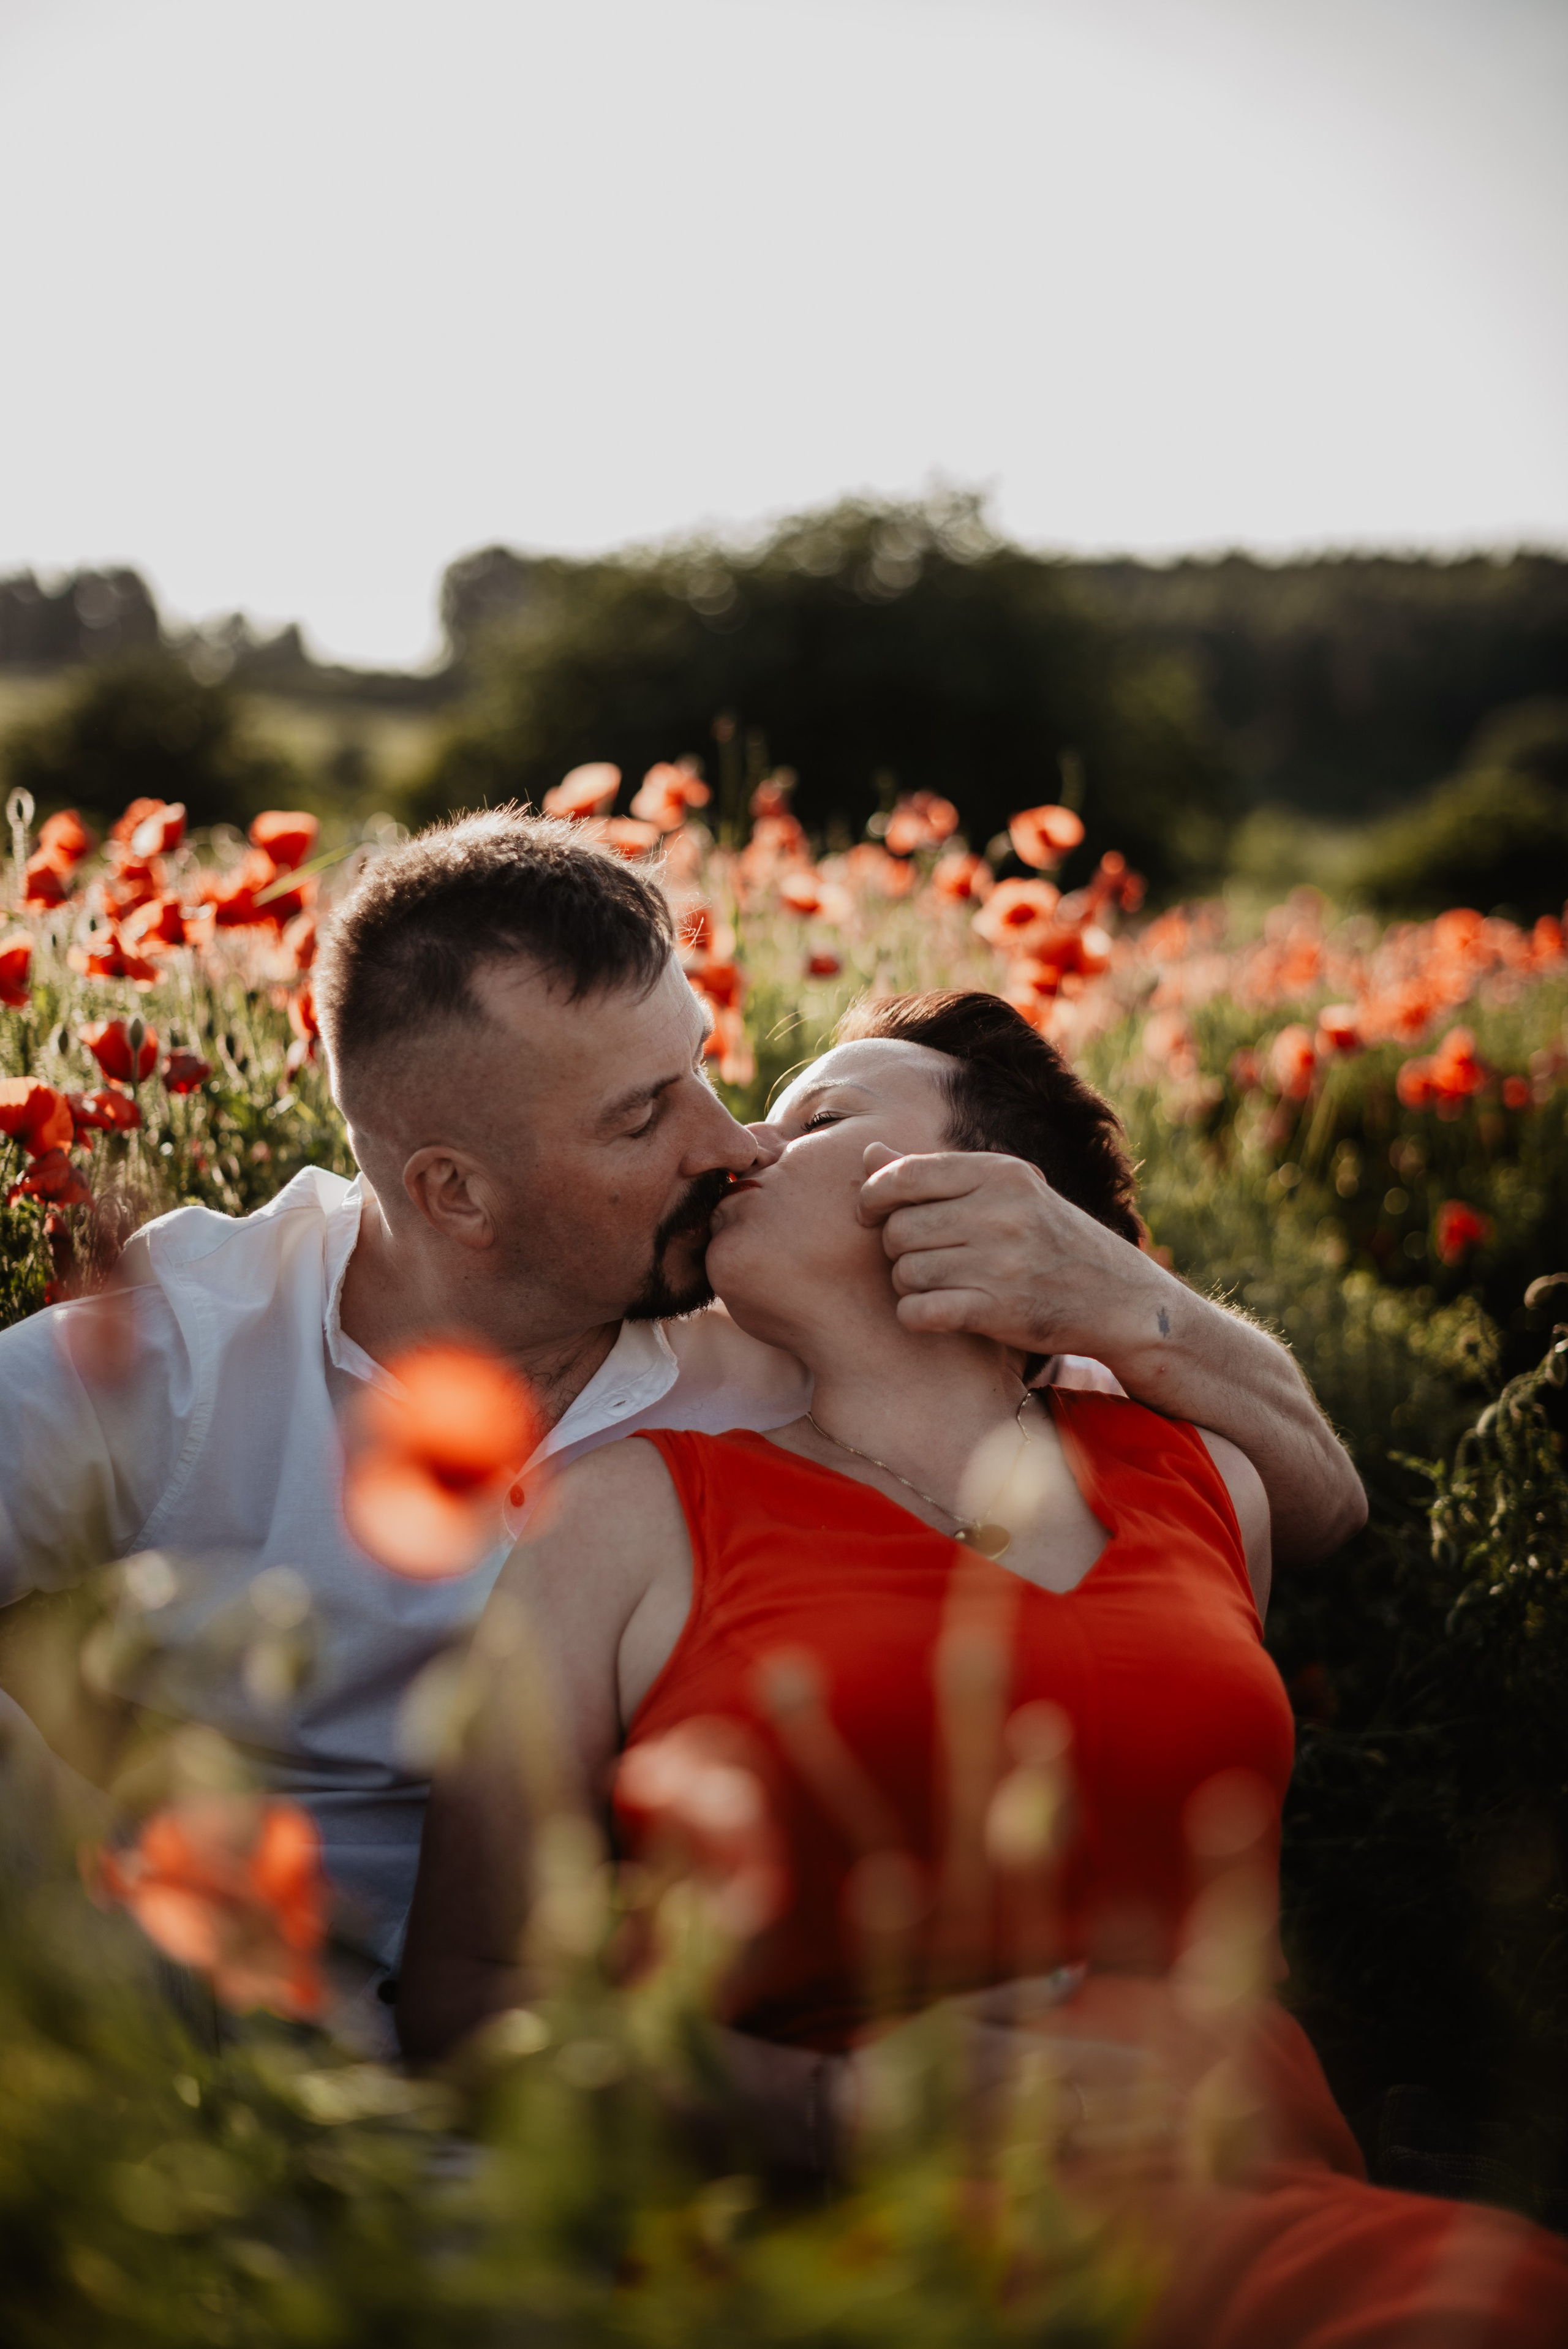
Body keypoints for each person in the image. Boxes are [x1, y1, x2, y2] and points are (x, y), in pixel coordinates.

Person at [0, 813, 1362, 2003]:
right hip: (193, 2017)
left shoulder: (782, 1332)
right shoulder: (183, 1351)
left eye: (701, 1063)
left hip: (583, 2064)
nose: (727, 1141)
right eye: (643, 1113)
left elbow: (1293, 1500)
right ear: (453, 1192)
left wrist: (1119, 1291)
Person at [399, 989, 1568, 2347]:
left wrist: (1114, 1294)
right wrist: (826, 2108)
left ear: (978, 1193)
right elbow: (466, 2001)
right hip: (858, 2234)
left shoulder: (1194, 1477)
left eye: (815, 1115)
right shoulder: (621, 1514)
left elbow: (1335, 1496)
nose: (739, 1150)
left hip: (1246, 2192)